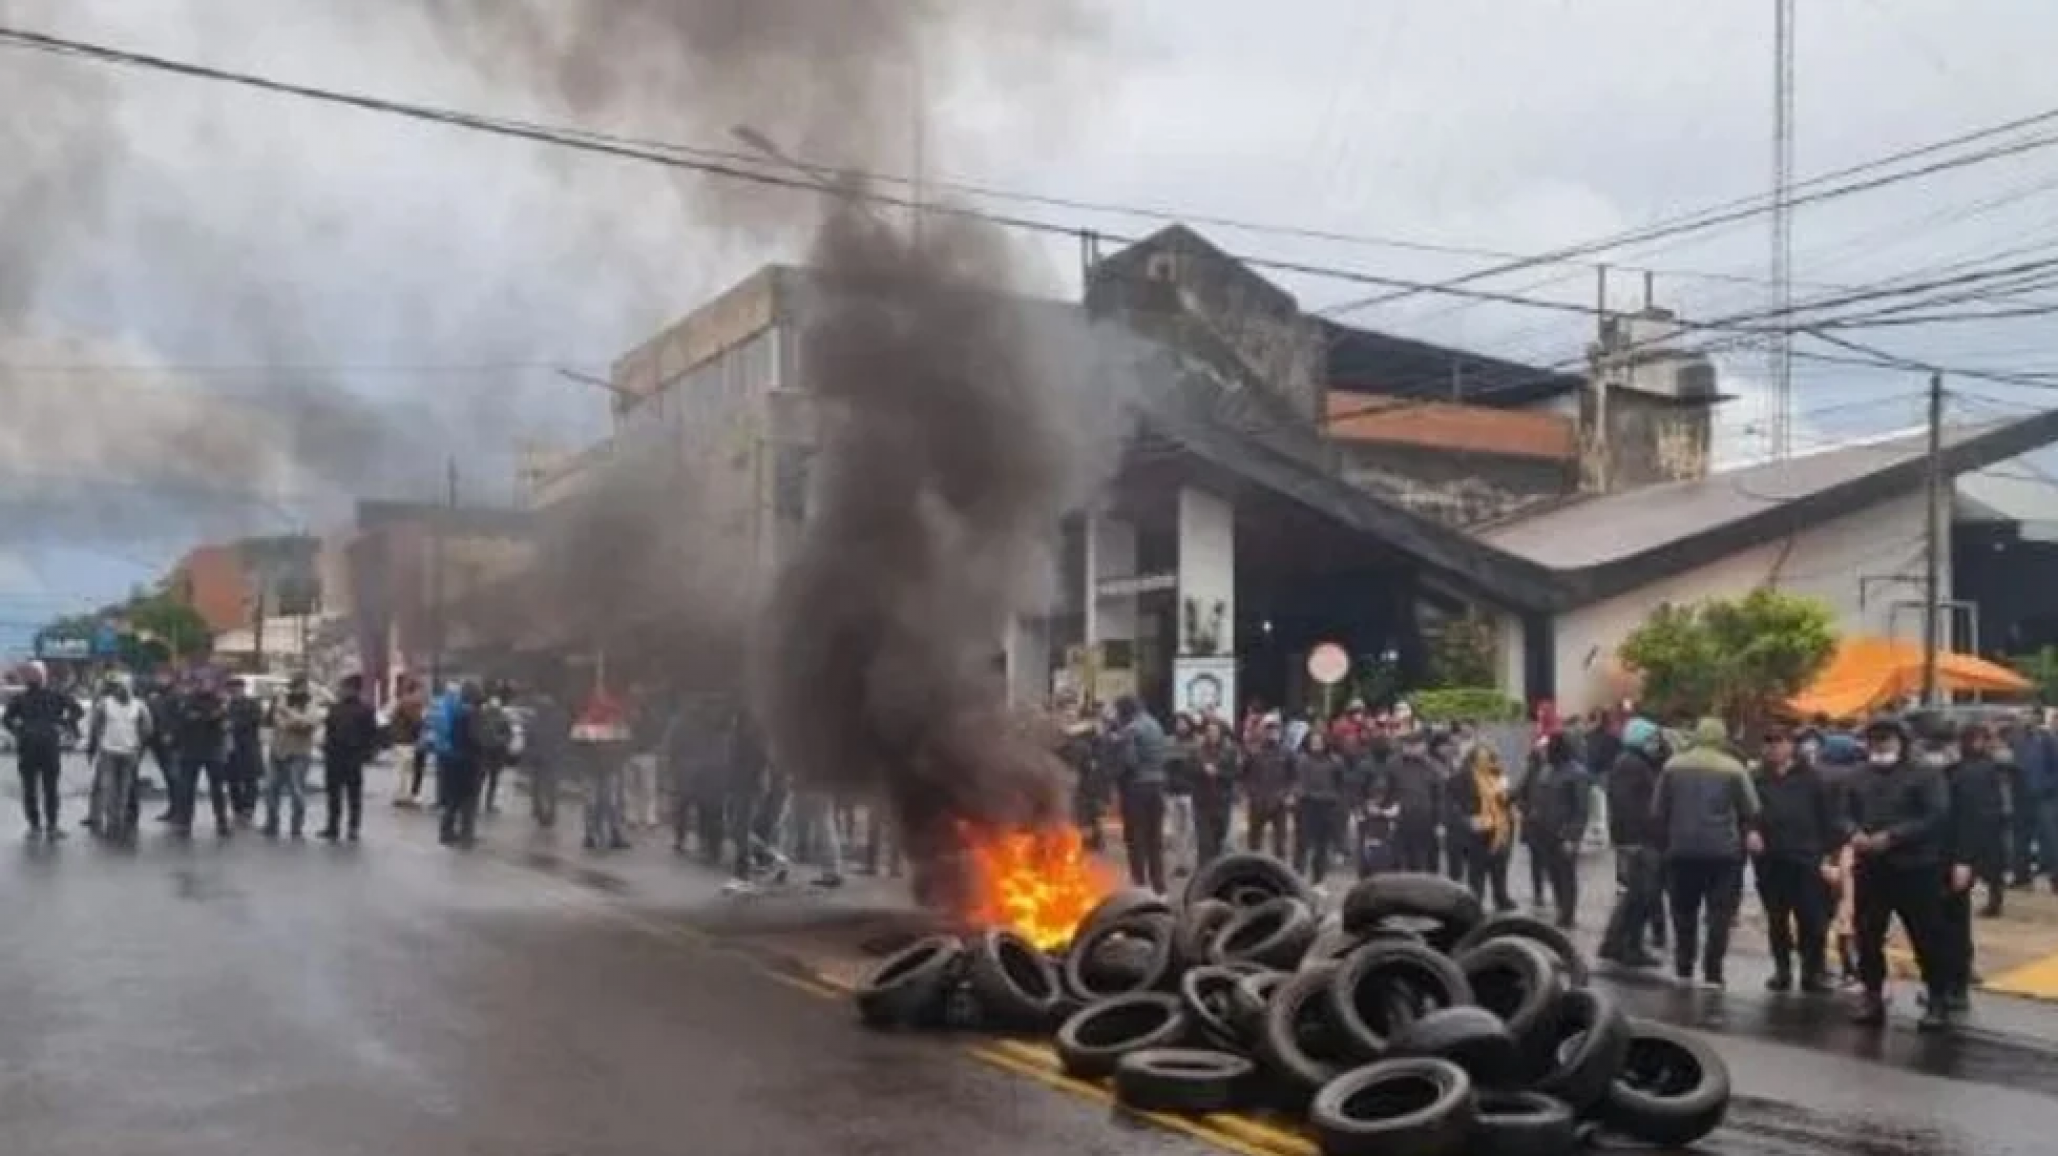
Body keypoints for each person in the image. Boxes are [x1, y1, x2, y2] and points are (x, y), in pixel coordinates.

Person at [1843, 714, 1953, 1030]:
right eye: (1874, 740)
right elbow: (1841, 813)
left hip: (1915, 868)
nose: (1880, 746)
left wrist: (1894, 836)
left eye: (1886, 739)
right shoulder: (1857, 776)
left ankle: (1937, 999)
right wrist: (1853, 832)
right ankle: (1873, 997)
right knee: (1867, 935)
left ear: (1902, 742)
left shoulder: (1925, 775)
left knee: (1926, 935)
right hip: (1871, 868)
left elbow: (1936, 815)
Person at [1652, 718, 1759, 989]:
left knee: (1683, 912)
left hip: (1681, 852)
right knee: (1719, 915)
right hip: (1722, 853)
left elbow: (1658, 810)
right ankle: (1713, 973)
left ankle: (1684, 968)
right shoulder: (1733, 768)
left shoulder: (1672, 766)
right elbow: (1751, 808)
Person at [1751, 725, 1838, 994]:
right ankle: (1782, 970)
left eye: (1779, 741)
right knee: (1777, 918)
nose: (1773, 747)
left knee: (1812, 919)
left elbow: (1828, 817)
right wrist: (1750, 831)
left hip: (1806, 858)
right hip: (1770, 860)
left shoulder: (1812, 778)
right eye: (1768, 742)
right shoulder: (1755, 778)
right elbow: (1744, 812)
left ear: (1791, 746)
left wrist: (1830, 855)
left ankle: (1812, 973)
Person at [1942, 720, 2011, 1011]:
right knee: (1956, 916)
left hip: (1959, 852)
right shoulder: (1986, 769)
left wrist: (1963, 858)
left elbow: (1966, 816)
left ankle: (1955, 981)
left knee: (1952, 918)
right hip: (1975, 848)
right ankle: (1957, 977)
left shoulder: (1967, 773)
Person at [1599, 717, 1667, 968]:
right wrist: (1633, 840)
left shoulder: (1635, 762)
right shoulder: (1632, 765)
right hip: (1639, 841)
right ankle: (1628, 945)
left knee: (1637, 895)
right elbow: (1628, 807)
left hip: (1638, 839)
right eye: (1652, 738)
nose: (1656, 743)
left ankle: (1617, 943)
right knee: (1642, 895)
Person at [1520, 731, 1593, 931]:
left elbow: (1581, 809)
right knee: (1553, 873)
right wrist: (1533, 814)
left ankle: (1567, 914)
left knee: (1566, 875)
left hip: (1564, 834)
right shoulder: (1547, 770)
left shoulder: (1577, 773)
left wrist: (1572, 836)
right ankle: (1561, 907)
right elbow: (1538, 797)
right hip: (1544, 832)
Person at [4, 661, 83, 839]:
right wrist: (62, 724)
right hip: (48, 745)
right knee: (50, 788)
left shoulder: (21, 699)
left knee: (30, 788)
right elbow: (78, 711)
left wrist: (20, 732)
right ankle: (52, 827)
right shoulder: (56, 696)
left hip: (28, 746)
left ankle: (35, 827)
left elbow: (6, 720)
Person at [1445, 744, 1516, 910]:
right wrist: (1467, 820)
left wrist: (1508, 794)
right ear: (1473, 760)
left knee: (1500, 866)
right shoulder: (1460, 777)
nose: (1487, 762)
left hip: (1499, 829)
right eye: (1482, 758)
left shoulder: (1497, 776)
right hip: (1477, 831)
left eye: (1489, 758)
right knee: (1477, 871)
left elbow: (1505, 801)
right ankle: (1475, 901)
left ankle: (1501, 897)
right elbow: (1451, 804)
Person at [1111, 695, 1169, 894]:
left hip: (1137, 788)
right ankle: (1160, 887)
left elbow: (1129, 762)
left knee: (1136, 839)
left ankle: (1140, 886)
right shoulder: (1157, 725)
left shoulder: (1131, 729)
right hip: (1158, 785)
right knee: (1155, 839)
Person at [85, 674, 151, 843]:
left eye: (124, 686)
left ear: (130, 687)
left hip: (129, 753)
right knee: (108, 787)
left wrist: (139, 747)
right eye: (118, 687)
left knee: (124, 789)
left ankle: (119, 819)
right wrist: (92, 748)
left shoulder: (139, 706)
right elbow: (95, 726)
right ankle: (112, 820)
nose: (121, 690)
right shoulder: (105, 704)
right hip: (108, 751)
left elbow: (147, 728)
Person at [321, 674, 382, 841]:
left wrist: (366, 753)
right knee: (335, 793)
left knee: (352, 794)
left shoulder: (365, 710)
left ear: (353, 690)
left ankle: (352, 826)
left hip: (351, 756)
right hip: (336, 755)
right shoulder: (336, 708)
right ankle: (334, 825)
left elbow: (372, 734)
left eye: (344, 688)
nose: (341, 691)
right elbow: (329, 730)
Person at [172, 675, 232, 838]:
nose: (206, 685)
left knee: (217, 789)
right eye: (203, 682)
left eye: (209, 682)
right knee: (187, 789)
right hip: (191, 750)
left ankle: (221, 821)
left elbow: (225, 724)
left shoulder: (219, 702)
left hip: (213, 750)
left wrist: (214, 717)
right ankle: (184, 822)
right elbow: (186, 719)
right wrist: (212, 716)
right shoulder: (188, 701)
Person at [264, 675, 321, 839]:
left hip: (298, 754)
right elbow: (277, 723)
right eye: (296, 687)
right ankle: (271, 823)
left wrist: (287, 712)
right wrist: (291, 719)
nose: (299, 691)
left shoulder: (310, 703)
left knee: (297, 791)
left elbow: (309, 724)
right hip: (277, 752)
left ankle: (296, 826)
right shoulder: (280, 703)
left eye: (302, 688)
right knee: (270, 789)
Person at [2007, 713, 2058, 892]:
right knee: (2020, 837)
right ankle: (2021, 876)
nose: (2024, 721)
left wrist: (2048, 786)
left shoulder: (2047, 740)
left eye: (2029, 718)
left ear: (2037, 721)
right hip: (2021, 796)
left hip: (2044, 797)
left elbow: (2055, 767)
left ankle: (2056, 878)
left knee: (2050, 838)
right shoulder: (2017, 739)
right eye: (2023, 718)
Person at [1384, 729, 1444, 874]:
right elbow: (1386, 791)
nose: (1410, 748)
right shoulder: (1393, 765)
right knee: (1396, 863)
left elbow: (1440, 797)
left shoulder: (1433, 767)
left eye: (1415, 744)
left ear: (1423, 746)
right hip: (1400, 821)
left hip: (1425, 822)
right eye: (1407, 744)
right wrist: (1388, 812)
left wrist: (1440, 823)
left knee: (1420, 863)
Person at [1294, 728, 1347, 887]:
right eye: (1313, 741)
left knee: (1322, 846)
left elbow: (1341, 783)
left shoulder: (1335, 761)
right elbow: (1297, 780)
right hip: (1306, 805)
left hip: (1326, 806)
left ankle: (1318, 881)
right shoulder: (1302, 760)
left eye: (1319, 741)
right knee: (1302, 845)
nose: (1316, 744)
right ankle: (1297, 879)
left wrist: (1336, 800)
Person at [438, 681, 487, 848]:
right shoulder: (474, 714)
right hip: (470, 761)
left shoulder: (458, 712)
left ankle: (446, 831)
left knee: (454, 798)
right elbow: (477, 738)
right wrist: (484, 747)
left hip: (455, 758)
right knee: (469, 800)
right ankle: (467, 833)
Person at [1242, 713, 1293, 858]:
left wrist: (1289, 794)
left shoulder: (1287, 752)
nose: (1272, 732)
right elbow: (1243, 775)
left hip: (1279, 803)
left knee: (1280, 844)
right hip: (1258, 802)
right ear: (1263, 731)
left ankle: (1280, 874)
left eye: (1275, 729)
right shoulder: (1253, 751)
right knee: (1254, 842)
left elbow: (1294, 777)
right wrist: (1249, 794)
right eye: (1268, 729)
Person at [1190, 717, 1238, 866]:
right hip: (1202, 803)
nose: (1212, 734)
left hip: (1222, 802)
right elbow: (1188, 771)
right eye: (1209, 731)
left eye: (1215, 731)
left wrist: (1218, 772)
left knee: (1219, 842)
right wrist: (1202, 770)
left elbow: (1235, 774)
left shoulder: (1230, 751)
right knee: (1205, 843)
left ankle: (1217, 873)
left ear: (1221, 733)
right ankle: (1203, 874)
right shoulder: (1197, 750)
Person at [526, 686, 571, 831]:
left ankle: (544, 813)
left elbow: (530, 738)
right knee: (546, 788)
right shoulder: (557, 718)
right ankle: (545, 813)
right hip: (546, 758)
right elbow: (563, 737)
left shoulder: (538, 719)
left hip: (544, 758)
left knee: (543, 787)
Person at [225, 678, 265, 825]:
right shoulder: (228, 704)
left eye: (237, 688)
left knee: (250, 779)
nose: (235, 691)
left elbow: (255, 719)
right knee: (232, 780)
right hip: (231, 747)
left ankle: (248, 808)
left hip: (248, 746)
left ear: (243, 688)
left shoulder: (252, 703)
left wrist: (234, 724)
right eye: (232, 688)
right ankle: (237, 809)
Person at [1163, 714, 1198, 876]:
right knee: (1176, 830)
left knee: (1190, 829)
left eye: (1183, 723)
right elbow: (1163, 763)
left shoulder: (1196, 743)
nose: (1180, 726)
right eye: (1178, 723)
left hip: (1190, 792)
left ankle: (1188, 861)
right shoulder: (1168, 742)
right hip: (1172, 791)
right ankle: (1179, 863)